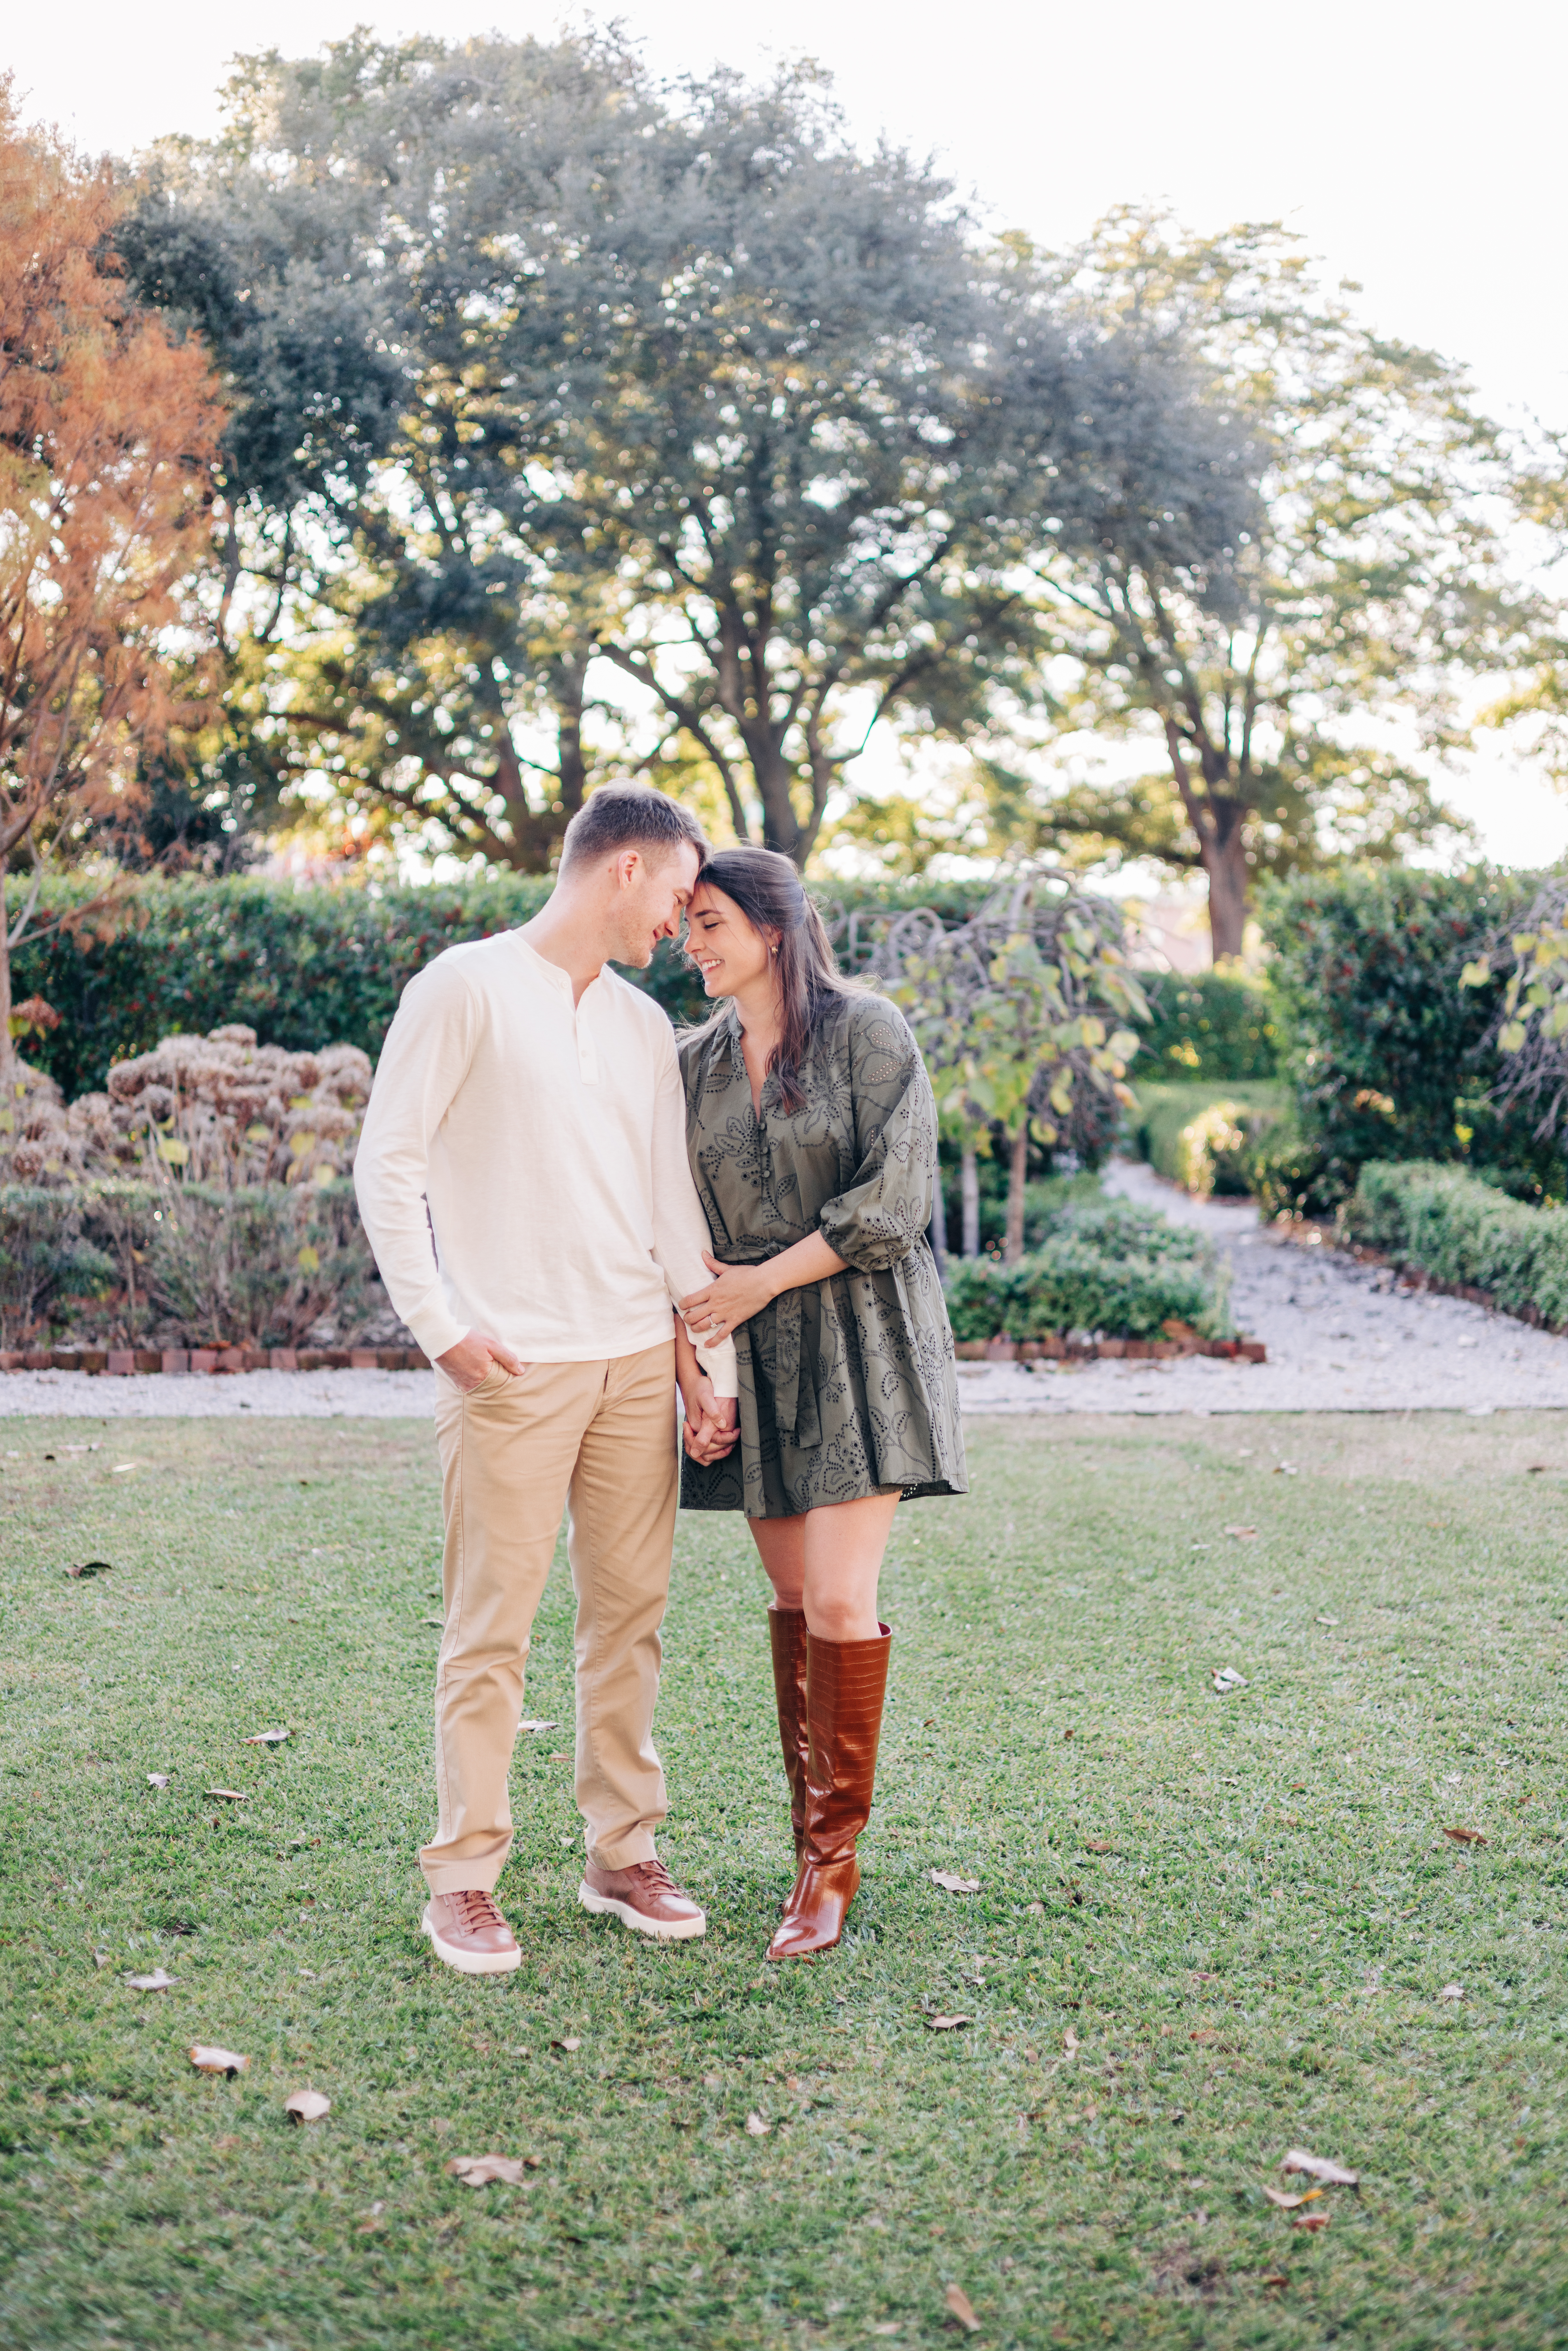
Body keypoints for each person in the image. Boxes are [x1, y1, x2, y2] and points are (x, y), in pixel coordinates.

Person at [354, 787, 739, 1976]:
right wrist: (439, 1326)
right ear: (624, 868)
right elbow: (388, 1161)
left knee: (629, 1624)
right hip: (511, 1367)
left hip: (632, 1363)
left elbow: (667, 1202)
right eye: (677, 894)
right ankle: (463, 1876)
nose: (680, 921)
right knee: (492, 1632)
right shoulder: (462, 987)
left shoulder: (640, 1024)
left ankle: (623, 1853)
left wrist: (703, 1362)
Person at [676, 847, 967, 1961]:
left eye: (709, 923)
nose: (691, 945)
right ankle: (810, 1842)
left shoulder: (867, 1032)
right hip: (750, 1356)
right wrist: (695, 1376)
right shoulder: (688, 1063)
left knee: (842, 1601)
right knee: (796, 1602)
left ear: (773, 928)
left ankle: (831, 1865)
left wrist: (759, 1282)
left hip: (861, 1338)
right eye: (687, 924)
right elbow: (668, 1231)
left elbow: (895, 1200)